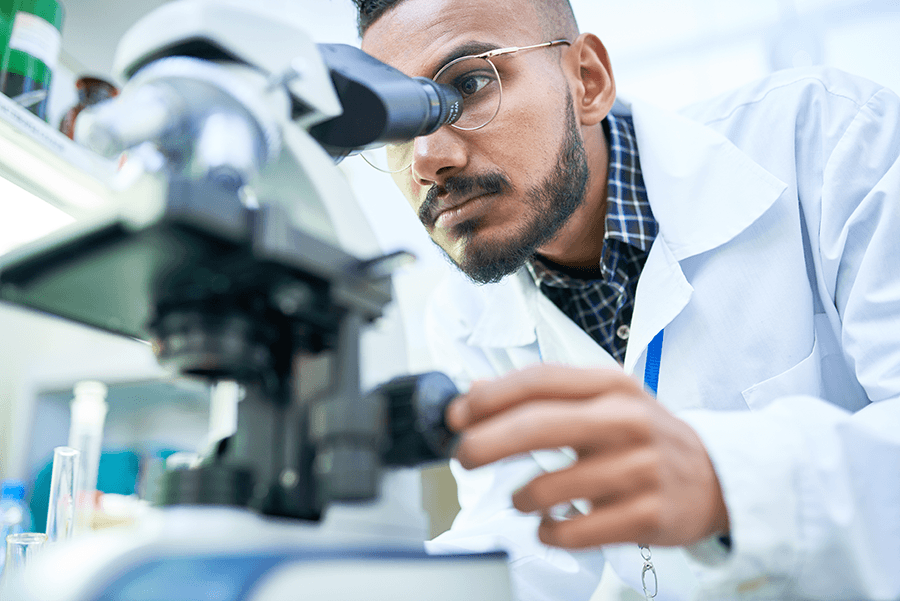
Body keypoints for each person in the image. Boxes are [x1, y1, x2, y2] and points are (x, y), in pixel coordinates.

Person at [352, 0, 900, 599]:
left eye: (470, 84)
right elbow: (529, 546)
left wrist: (729, 482)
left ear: (588, 81)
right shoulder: (464, 320)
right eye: (396, 126)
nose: (430, 160)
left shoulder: (831, 137)